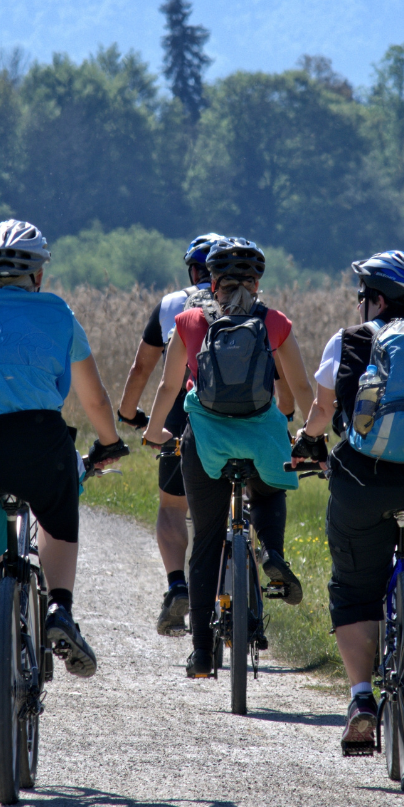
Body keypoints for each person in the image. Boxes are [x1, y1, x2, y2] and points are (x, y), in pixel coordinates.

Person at [0, 219, 128, 754]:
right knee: (58, 506)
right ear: (37, 273)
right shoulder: (57, 314)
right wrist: (108, 444)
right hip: (40, 443)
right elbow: (96, 399)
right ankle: (59, 607)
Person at [291, 250, 404, 750]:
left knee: (353, 587)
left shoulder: (349, 341)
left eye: (362, 296)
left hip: (363, 482)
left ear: (376, 299)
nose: (358, 305)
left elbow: (323, 408)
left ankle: (361, 700)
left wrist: (308, 442)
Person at [142, 238, 315, 678]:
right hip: (261, 438)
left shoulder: (189, 320)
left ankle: (201, 654)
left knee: (204, 543)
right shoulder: (274, 322)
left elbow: (167, 388)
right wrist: (302, 432)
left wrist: (153, 430)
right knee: (271, 490)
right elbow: (300, 390)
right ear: (257, 282)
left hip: (206, 442)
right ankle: (271, 552)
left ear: (210, 280)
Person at [115, 232, 224, 635]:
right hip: (241, 417)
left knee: (172, 505)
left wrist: (130, 414)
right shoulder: (249, 303)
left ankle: (178, 584)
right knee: (241, 496)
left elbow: (142, 369)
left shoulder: (173, 305)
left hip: (182, 413)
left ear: (193, 269)